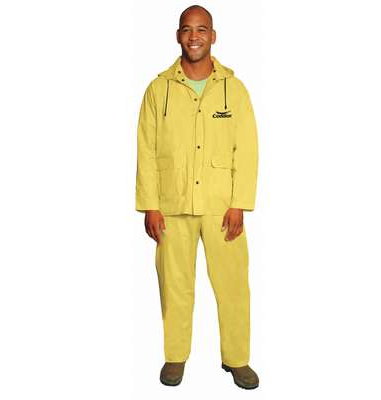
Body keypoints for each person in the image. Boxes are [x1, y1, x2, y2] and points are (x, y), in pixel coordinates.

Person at [135, 4, 259, 390]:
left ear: (213, 36)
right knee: (174, 285)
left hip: (222, 207)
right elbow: (146, 150)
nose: (194, 37)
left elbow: (247, 150)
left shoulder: (234, 89)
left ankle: (237, 359)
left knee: (233, 285)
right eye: (187, 29)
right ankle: (175, 356)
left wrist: (239, 203)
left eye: (202, 29)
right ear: (178, 36)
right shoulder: (158, 90)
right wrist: (150, 205)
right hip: (171, 205)